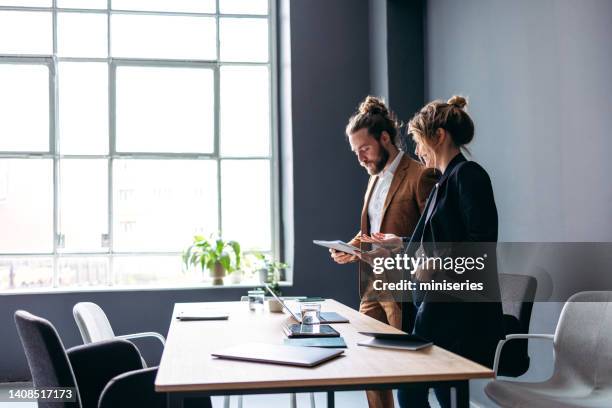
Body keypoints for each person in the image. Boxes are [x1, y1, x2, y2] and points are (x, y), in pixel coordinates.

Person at [363, 96, 504, 408]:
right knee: (433, 391)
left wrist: (436, 262)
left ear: (439, 136)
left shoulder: (468, 175)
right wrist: (398, 243)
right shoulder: (443, 182)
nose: (417, 150)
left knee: (413, 391)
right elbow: (433, 242)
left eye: (419, 140)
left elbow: (481, 243)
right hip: (438, 308)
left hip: (458, 315)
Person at [330, 96, 437, 408]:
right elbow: (373, 229)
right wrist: (351, 247)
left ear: (385, 138)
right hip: (372, 284)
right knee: (369, 364)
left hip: (404, 287)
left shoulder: (420, 175)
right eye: (356, 152)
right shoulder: (373, 179)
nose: (361, 158)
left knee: (402, 370)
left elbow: (432, 236)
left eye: (364, 149)